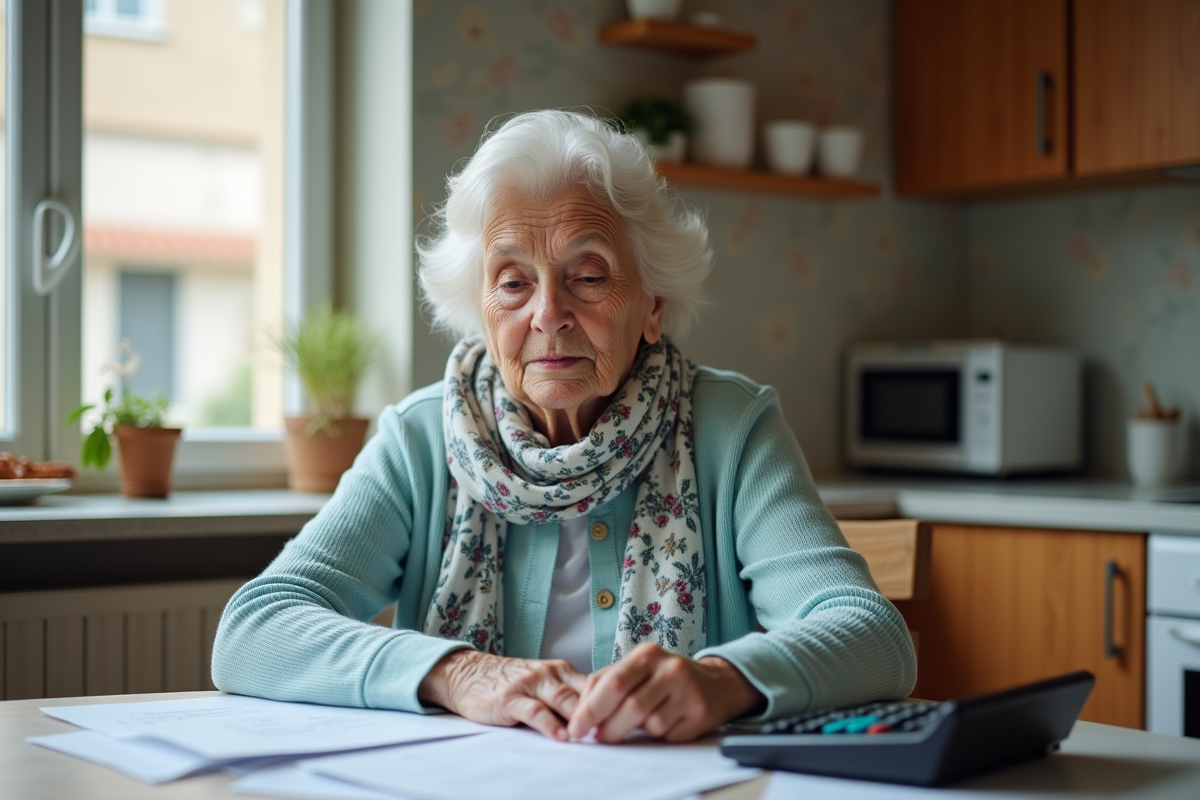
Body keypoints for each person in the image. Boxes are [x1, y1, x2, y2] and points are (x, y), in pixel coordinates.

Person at [212, 109, 916, 744]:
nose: (547, 314)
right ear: (481, 310)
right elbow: (255, 629)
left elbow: (875, 637)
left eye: (588, 275)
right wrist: (457, 672)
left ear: (652, 307)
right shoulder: (421, 439)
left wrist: (722, 680)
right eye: (513, 282)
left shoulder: (731, 429)